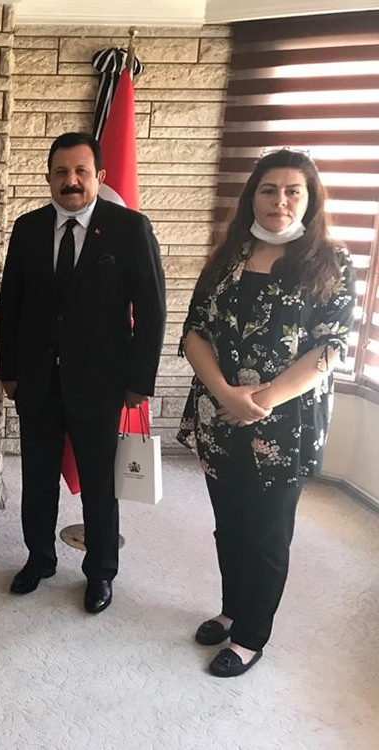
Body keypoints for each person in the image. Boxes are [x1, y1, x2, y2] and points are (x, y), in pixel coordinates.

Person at [178, 149, 355, 678]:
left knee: (267, 534)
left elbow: (330, 347)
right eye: (269, 189)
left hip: (284, 426)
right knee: (229, 526)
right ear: (252, 196)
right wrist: (226, 395)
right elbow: (194, 332)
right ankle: (233, 610)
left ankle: (251, 636)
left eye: (292, 191)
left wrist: (263, 400)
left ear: (309, 199)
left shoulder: (331, 261)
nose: (280, 200)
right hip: (219, 415)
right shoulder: (227, 256)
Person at [0, 131, 165, 612]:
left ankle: (101, 572)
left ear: (99, 176)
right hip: (37, 380)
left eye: (80, 172)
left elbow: (151, 310)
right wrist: (8, 370)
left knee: (98, 483)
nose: (70, 181)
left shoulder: (129, 228)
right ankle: (39, 558)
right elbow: (12, 305)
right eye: (61, 172)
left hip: (100, 382)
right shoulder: (27, 228)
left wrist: (139, 381)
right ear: (49, 177)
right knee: (37, 478)